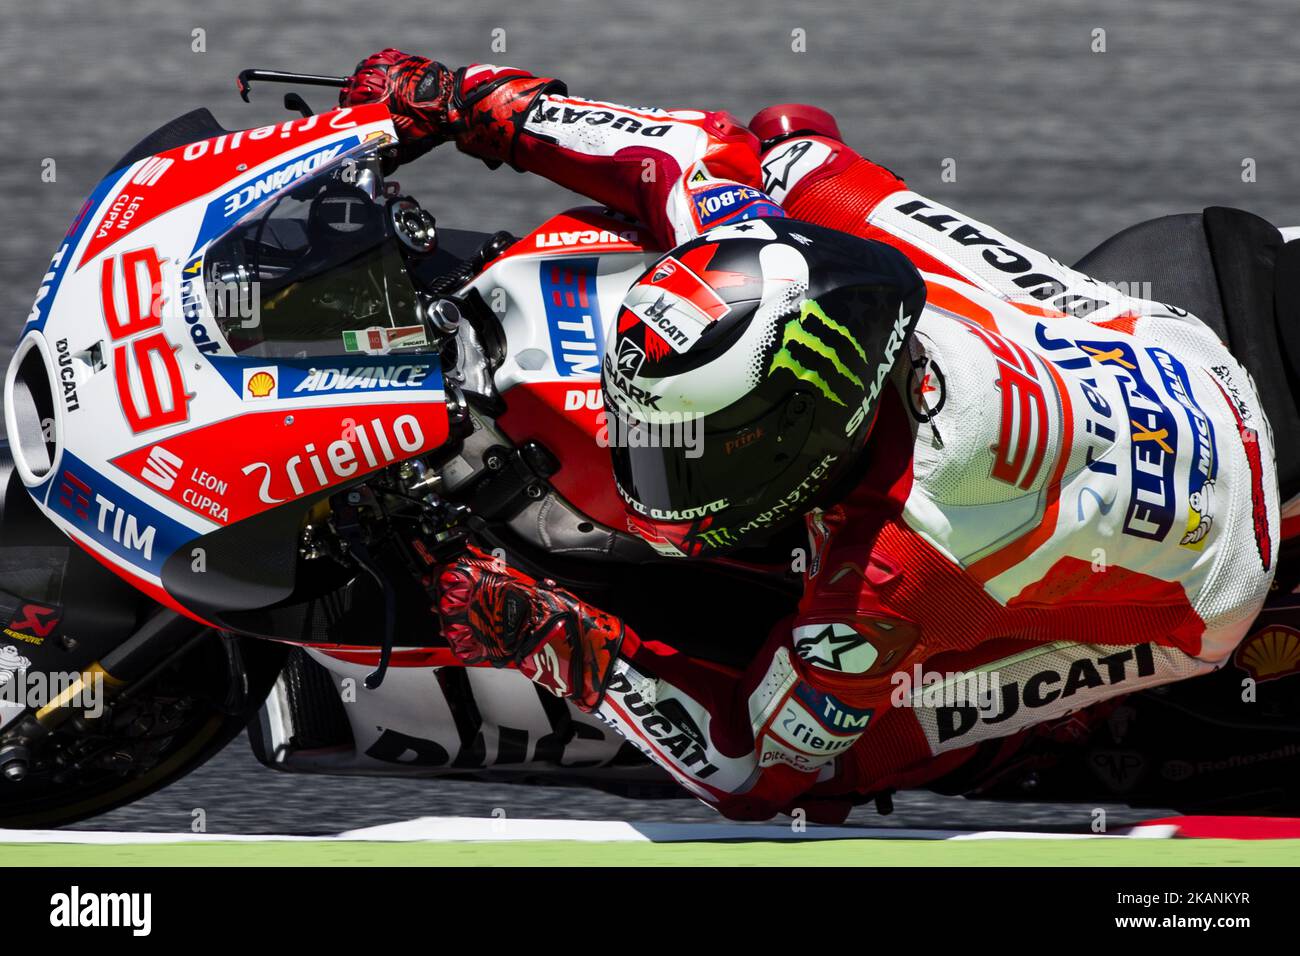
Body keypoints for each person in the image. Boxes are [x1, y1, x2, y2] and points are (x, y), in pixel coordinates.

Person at [341, 50, 1281, 821]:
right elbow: (689, 151)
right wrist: (477, 103)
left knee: (857, 753)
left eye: (691, 451)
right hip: (1161, 353)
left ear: (800, 438)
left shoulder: (883, 578)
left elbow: (751, 770)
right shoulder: (796, 250)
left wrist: (557, 641)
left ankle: (1025, 741)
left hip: (1211, 579)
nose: (656, 473)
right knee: (795, 159)